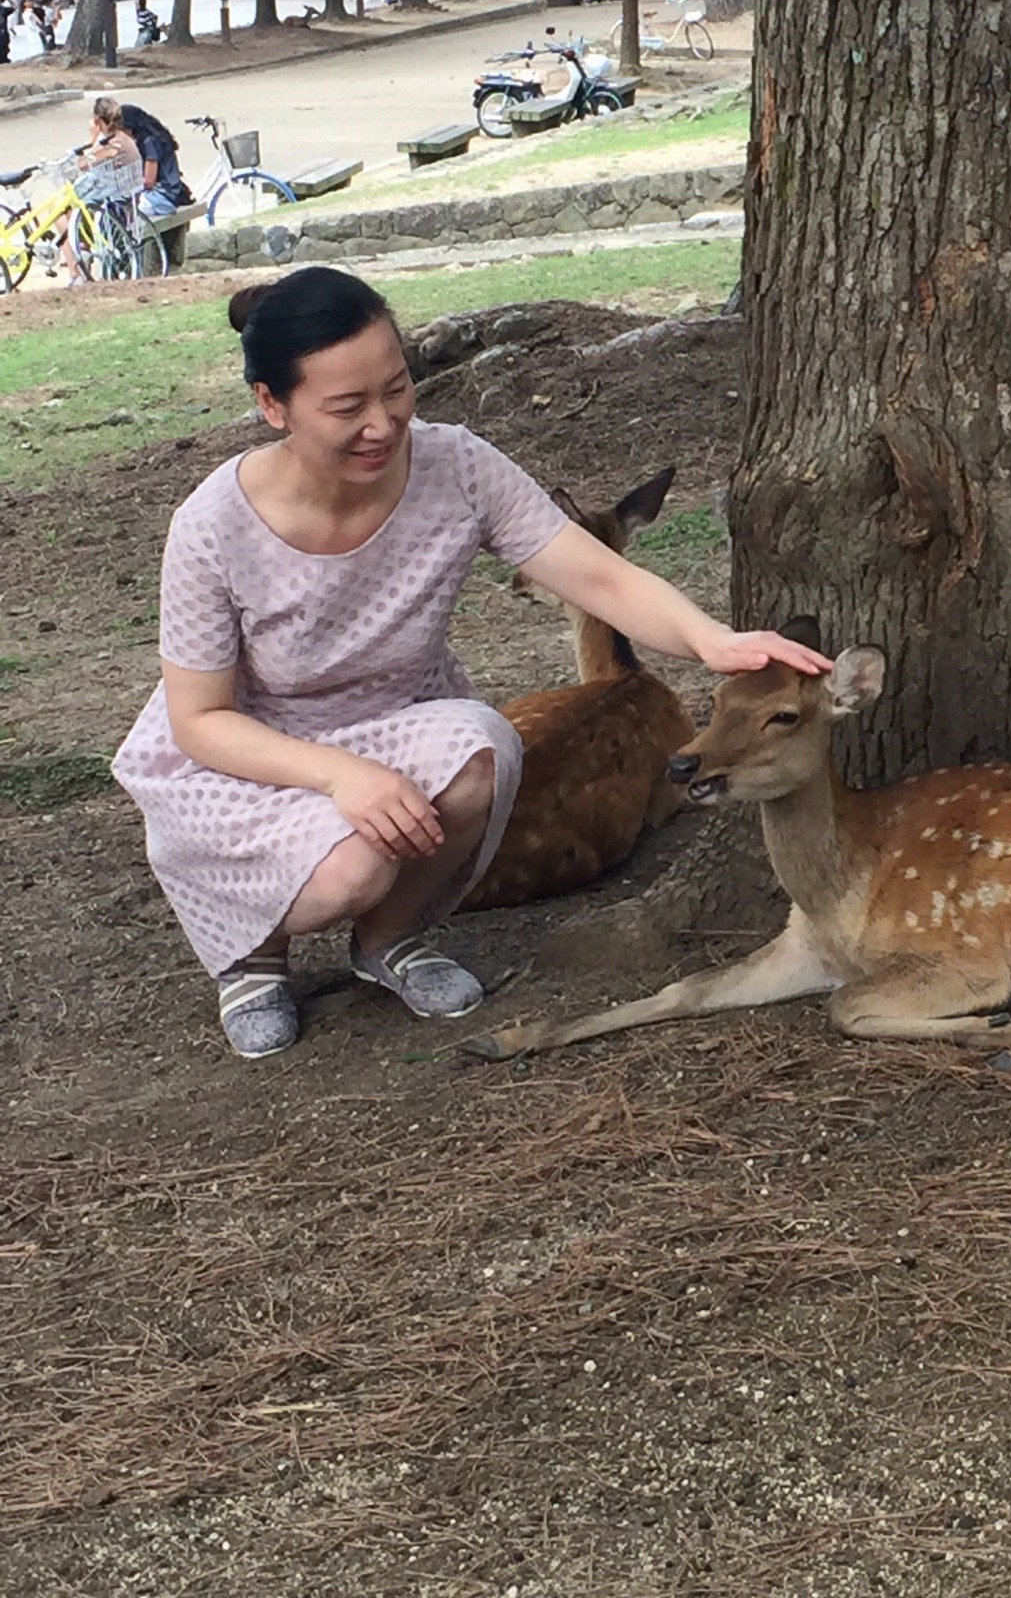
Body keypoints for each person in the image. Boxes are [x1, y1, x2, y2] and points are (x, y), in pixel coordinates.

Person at [111, 268, 832, 1060]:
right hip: (249, 752)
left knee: (487, 744)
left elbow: (595, 573)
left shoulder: (455, 466)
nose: (383, 425)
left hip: (398, 722)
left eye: (397, 390)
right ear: (272, 405)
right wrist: (339, 776)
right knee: (348, 874)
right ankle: (255, 958)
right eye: (347, 408)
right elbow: (200, 719)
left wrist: (711, 642)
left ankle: (389, 943)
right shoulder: (213, 526)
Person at [55, 96, 142, 285]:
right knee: (69, 209)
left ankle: (75, 272)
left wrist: (92, 139)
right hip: (124, 196)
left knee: (59, 213)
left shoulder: (113, 146)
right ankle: (81, 254)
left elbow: (84, 164)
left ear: (98, 121)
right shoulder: (121, 138)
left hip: (113, 200)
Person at [116, 98, 190, 217]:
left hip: (163, 196)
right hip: (169, 193)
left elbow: (149, 181)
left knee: (126, 212)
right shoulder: (155, 136)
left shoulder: (149, 142)